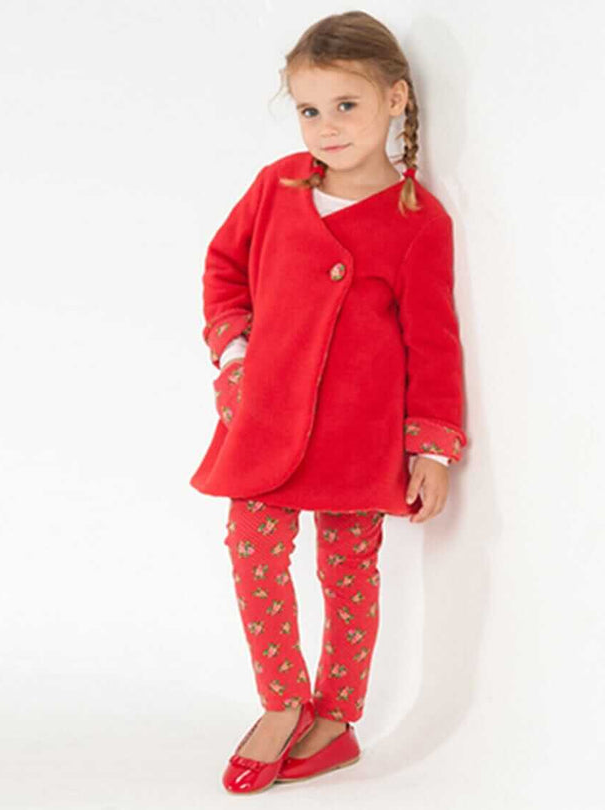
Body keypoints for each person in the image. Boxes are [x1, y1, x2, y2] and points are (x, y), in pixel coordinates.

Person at [189, 11, 470, 794]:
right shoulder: (277, 185)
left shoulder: (419, 220)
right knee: (253, 552)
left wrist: (432, 446)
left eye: (347, 105)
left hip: (357, 437)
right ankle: (283, 703)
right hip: (263, 422)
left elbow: (434, 342)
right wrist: (235, 358)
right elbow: (224, 268)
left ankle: (337, 721)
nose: (326, 127)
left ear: (395, 100)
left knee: (349, 575)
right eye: (310, 109)